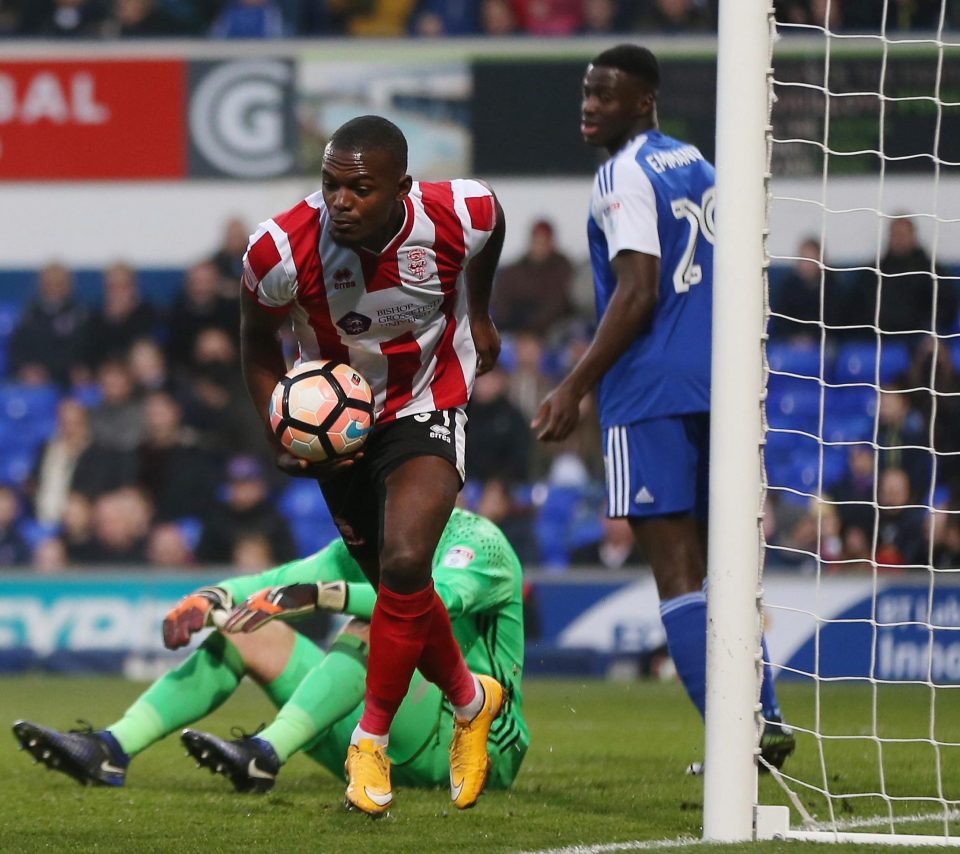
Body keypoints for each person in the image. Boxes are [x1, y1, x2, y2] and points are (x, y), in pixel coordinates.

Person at [532, 45, 794, 770]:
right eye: (587, 93)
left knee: (678, 570)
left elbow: (637, 291)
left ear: (643, 102)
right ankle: (764, 718)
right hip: (724, 379)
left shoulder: (622, 174)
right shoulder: (696, 160)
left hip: (650, 390)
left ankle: (733, 739)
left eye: (606, 96)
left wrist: (573, 386)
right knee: (723, 566)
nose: (590, 106)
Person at [239, 115, 506, 813]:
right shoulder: (278, 251)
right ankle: (472, 700)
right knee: (402, 594)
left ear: (401, 189)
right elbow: (257, 344)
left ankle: (370, 740)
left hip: (429, 400)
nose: (341, 201)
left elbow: (493, 227)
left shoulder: (456, 213)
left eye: (361, 187)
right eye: (331, 184)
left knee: (406, 562)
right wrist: (280, 430)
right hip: (337, 427)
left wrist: (479, 311)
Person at [13, 508, 528, 802]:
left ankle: (266, 752)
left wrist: (322, 595)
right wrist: (211, 596)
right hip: (378, 741)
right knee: (244, 631)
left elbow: (426, 604)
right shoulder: (367, 536)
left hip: (473, 742)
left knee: (379, 623)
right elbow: (275, 581)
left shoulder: (478, 544)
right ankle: (111, 748)